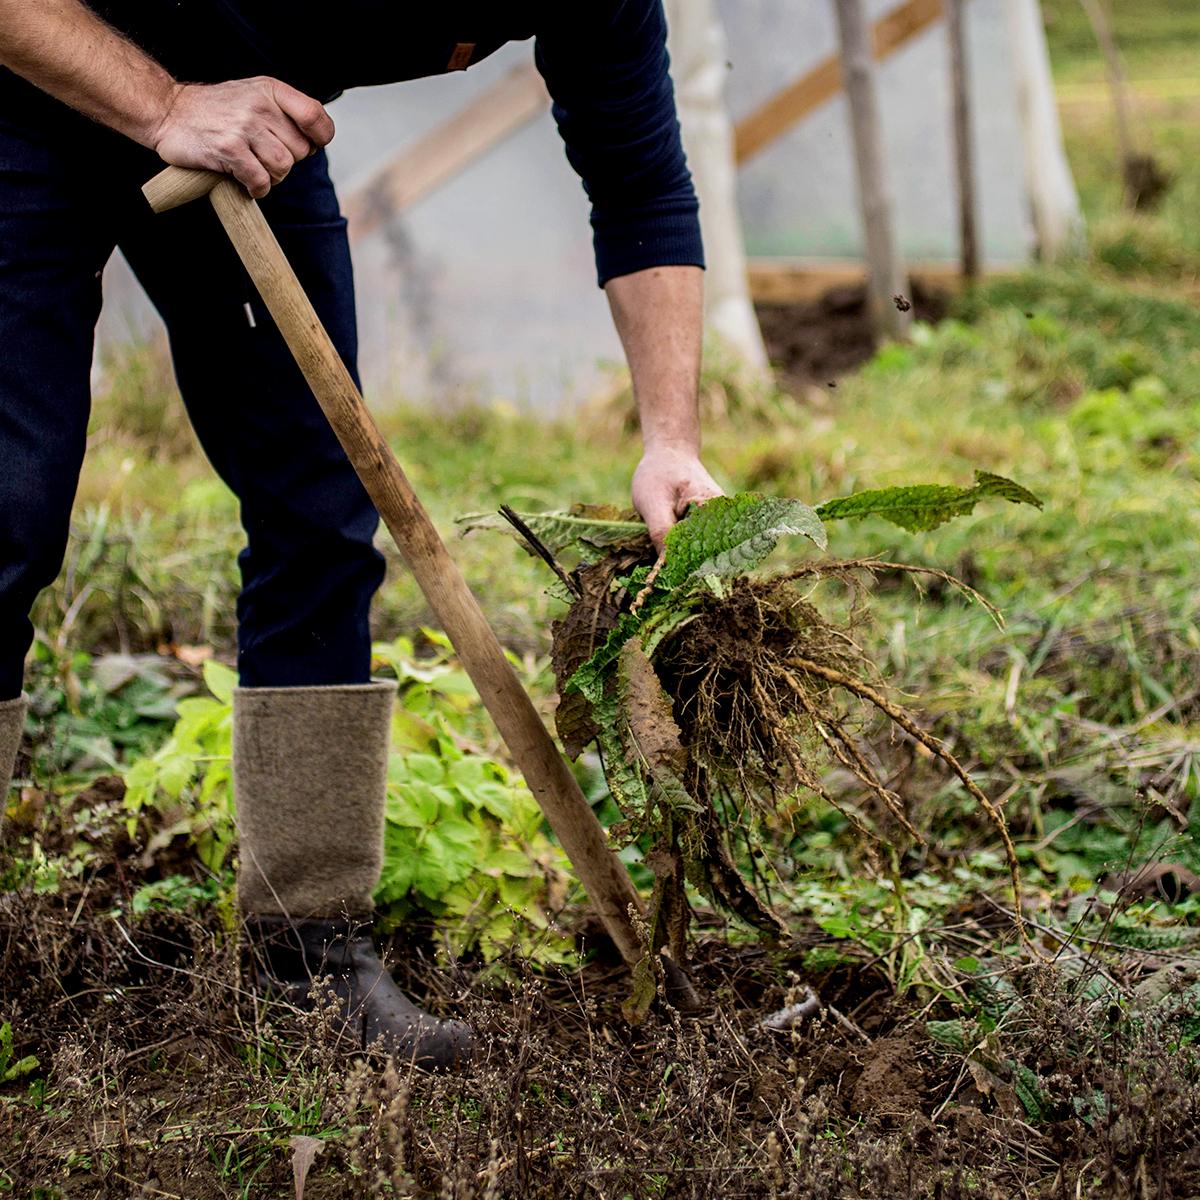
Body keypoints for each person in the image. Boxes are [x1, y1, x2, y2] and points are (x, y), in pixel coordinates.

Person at [0, 0, 723, 1070]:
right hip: (31, 95)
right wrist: (166, 105)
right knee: (8, 513)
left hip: (245, 133)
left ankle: (309, 956)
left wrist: (671, 438)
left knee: (322, 515)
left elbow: (643, 186)